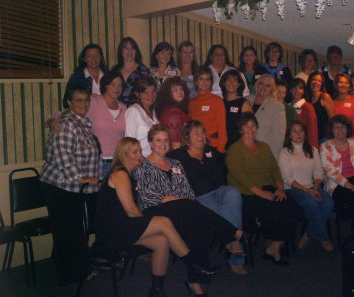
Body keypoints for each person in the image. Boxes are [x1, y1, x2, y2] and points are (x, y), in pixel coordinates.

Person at [135, 124, 247, 297]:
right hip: (155, 214)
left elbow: (187, 192)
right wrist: (179, 200)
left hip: (182, 210)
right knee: (191, 208)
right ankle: (231, 234)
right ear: (150, 143)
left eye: (166, 140)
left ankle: (195, 282)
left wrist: (180, 200)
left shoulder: (175, 163)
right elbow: (152, 197)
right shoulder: (144, 167)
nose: (163, 143)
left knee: (197, 224)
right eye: (158, 140)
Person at [96, 137, 214, 297]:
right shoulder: (120, 174)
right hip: (113, 231)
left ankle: (156, 290)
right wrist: (148, 222)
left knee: (162, 241)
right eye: (135, 152)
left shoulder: (130, 173)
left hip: (124, 227)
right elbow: (131, 210)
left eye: (140, 151)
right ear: (124, 154)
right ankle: (193, 265)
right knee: (163, 222)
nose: (140, 155)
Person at [168, 120, 247, 275]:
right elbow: (167, 166)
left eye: (202, 132)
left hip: (217, 191)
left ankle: (231, 239)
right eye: (196, 133)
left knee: (233, 192)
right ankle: (235, 253)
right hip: (198, 197)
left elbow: (222, 171)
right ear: (187, 137)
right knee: (218, 208)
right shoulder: (178, 155)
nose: (200, 135)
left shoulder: (211, 151)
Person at [40, 85, 101, 286]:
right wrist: (78, 178)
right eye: (78, 100)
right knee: (68, 233)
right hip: (61, 186)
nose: (84, 104)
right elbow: (61, 153)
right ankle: (70, 276)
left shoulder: (83, 122)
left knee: (73, 231)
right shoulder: (66, 124)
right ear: (68, 102)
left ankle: (74, 271)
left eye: (86, 100)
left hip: (73, 187)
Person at [226, 113, 302, 266]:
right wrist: (262, 193)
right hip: (247, 194)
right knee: (274, 212)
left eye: (253, 125)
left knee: (294, 209)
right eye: (246, 126)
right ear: (240, 129)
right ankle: (275, 246)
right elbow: (241, 177)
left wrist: (280, 188)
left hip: (269, 188)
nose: (250, 129)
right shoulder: (234, 150)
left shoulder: (264, 146)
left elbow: (274, 169)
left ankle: (274, 246)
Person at [278, 121, 335, 252]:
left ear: (305, 134)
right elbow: (287, 178)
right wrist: (307, 191)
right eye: (294, 131)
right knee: (312, 203)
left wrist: (315, 188)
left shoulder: (313, 150)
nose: (298, 134)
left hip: (311, 187)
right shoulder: (284, 152)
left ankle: (308, 233)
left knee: (328, 202)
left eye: (301, 131)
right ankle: (323, 237)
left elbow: (318, 171)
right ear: (289, 135)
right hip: (292, 189)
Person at [87, 73, 126, 178]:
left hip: (118, 163)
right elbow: (71, 112)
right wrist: (52, 121)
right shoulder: (94, 102)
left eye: (120, 85)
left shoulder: (124, 108)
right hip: (98, 162)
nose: (117, 88)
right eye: (113, 84)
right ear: (105, 86)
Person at [246, 74, 286, 159]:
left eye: (268, 85)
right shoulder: (247, 100)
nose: (263, 87)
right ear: (257, 85)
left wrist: (272, 158)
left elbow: (278, 138)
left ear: (272, 89)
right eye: (261, 83)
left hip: (264, 153)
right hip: (245, 150)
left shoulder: (277, 106)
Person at [188, 66, 227, 153]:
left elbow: (222, 127)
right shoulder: (191, 102)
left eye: (207, 79)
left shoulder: (217, 100)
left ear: (211, 82)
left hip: (213, 146)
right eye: (201, 79)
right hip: (195, 147)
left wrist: (220, 149)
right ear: (196, 81)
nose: (204, 82)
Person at [62, 44, 107, 108]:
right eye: (89, 56)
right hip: (85, 115)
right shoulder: (77, 77)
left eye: (96, 55)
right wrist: (87, 97)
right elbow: (66, 102)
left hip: (107, 114)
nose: (93, 59)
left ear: (101, 57)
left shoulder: (108, 76)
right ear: (84, 59)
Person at [110, 37, 151, 106]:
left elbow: (148, 94)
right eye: (126, 48)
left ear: (136, 51)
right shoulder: (114, 70)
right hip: (116, 110)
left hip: (137, 111)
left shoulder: (143, 71)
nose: (130, 51)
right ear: (121, 51)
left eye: (132, 48)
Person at [125, 76, 158, 156]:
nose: (150, 95)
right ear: (138, 94)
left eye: (153, 91)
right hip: (140, 162)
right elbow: (129, 143)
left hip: (154, 161)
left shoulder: (153, 112)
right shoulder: (133, 111)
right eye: (146, 92)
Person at [219, 70, 252, 149]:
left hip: (239, 146)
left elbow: (250, 127)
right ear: (224, 83)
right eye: (228, 80)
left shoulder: (244, 104)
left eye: (235, 80)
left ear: (239, 84)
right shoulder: (219, 103)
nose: (231, 83)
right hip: (222, 145)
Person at [155, 76, 190, 150]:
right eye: (175, 90)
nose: (179, 92)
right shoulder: (174, 112)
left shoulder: (170, 108)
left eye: (181, 89)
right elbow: (176, 144)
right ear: (168, 94)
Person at [333, 73, 354, 140]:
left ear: (349, 86)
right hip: (336, 142)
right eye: (341, 82)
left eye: (346, 83)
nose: (344, 85)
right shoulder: (332, 102)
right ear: (336, 85)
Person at [304, 71, 334, 144]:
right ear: (309, 82)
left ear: (322, 84)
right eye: (314, 80)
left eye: (319, 81)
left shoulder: (325, 97)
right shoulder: (307, 99)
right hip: (311, 138)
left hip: (324, 139)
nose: (316, 82)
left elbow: (333, 119)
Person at [289, 78, 319, 148]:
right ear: (290, 90)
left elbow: (312, 132)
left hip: (304, 147)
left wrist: (312, 149)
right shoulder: (287, 107)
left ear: (303, 91)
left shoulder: (308, 107)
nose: (297, 90)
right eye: (294, 88)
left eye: (300, 88)